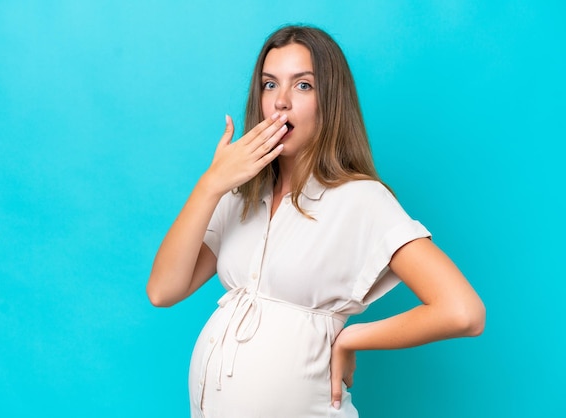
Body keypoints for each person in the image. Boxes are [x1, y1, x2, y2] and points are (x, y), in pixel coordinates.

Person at [146, 25, 485, 417]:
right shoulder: (241, 195)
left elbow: (463, 311)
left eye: (302, 86)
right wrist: (210, 185)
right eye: (269, 85)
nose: (281, 102)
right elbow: (163, 291)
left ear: (331, 100)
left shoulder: (361, 199)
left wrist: (352, 337)